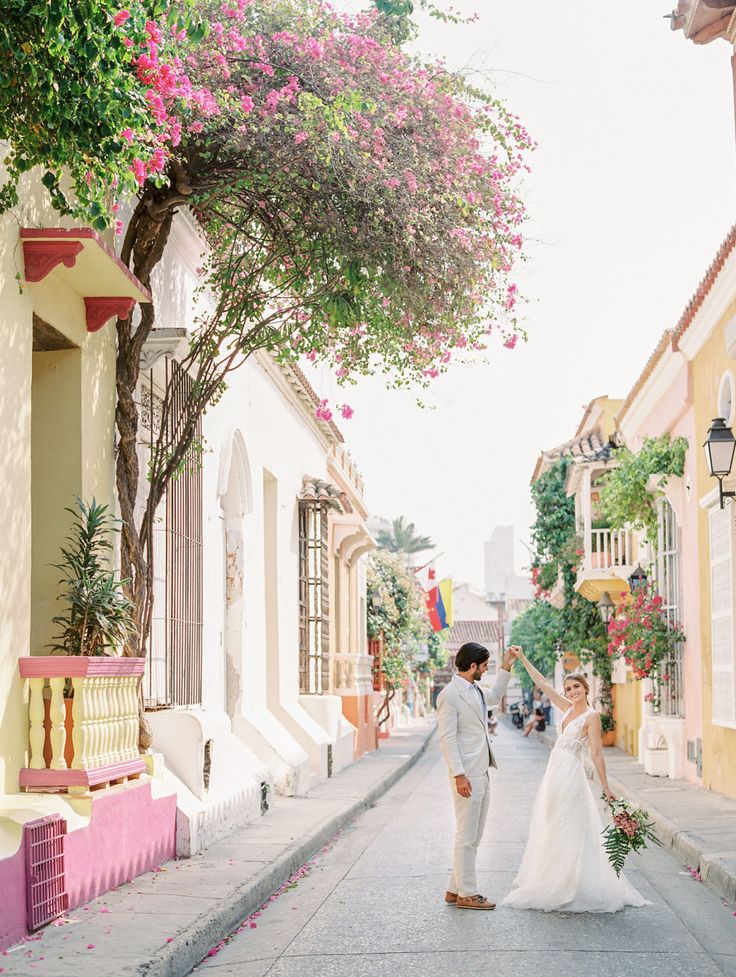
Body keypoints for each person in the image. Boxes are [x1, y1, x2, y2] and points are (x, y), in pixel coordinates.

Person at [502, 646, 649, 913]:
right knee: (553, 822)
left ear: (586, 688)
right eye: (568, 689)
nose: (571, 692)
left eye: (576, 687)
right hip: (554, 772)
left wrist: (606, 787)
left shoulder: (591, 716)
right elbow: (543, 683)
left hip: (570, 772)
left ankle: (573, 882)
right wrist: (522, 658)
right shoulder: (567, 708)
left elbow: (596, 753)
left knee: (569, 824)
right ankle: (555, 876)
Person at [437, 641, 516, 911]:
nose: (485, 670)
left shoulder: (474, 690)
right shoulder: (450, 695)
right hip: (466, 774)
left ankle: (454, 888)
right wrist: (458, 775)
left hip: (481, 770)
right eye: (484, 666)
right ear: (472, 666)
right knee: (466, 834)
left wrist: (507, 666)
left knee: (474, 834)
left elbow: (494, 697)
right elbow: (447, 739)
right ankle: (467, 893)